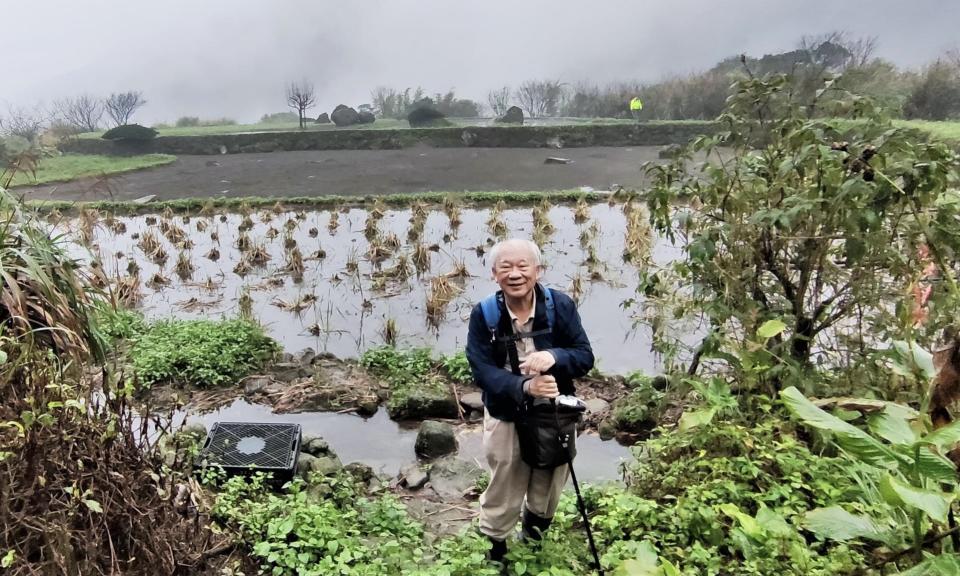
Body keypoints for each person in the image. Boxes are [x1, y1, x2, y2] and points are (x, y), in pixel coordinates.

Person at [466, 238, 594, 565]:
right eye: (506, 267)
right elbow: (482, 371)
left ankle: (534, 541)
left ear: (537, 270)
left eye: (523, 266)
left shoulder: (559, 306)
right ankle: (497, 554)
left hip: (554, 414)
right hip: (506, 411)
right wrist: (525, 386)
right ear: (494, 274)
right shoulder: (485, 314)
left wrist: (553, 356)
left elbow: (584, 356)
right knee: (504, 484)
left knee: (549, 482)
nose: (515, 274)